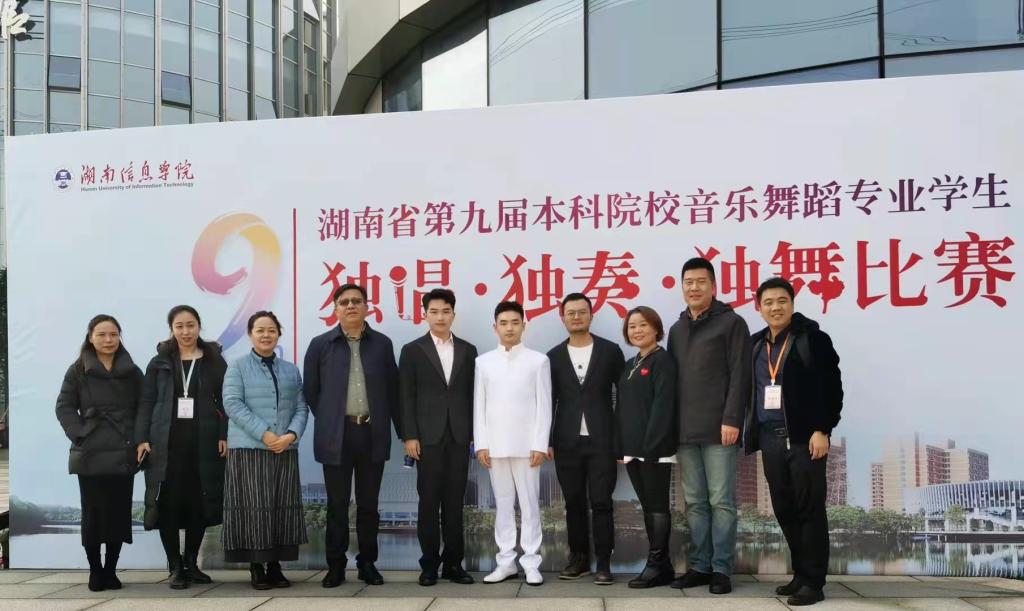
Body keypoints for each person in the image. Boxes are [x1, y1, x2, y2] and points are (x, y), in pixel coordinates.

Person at [743, 278, 843, 606]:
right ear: (759, 307)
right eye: (768, 302)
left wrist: (822, 429)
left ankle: (814, 583)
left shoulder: (812, 339)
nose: (775, 307)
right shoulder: (755, 345)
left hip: (804, 440)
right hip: (769, 439)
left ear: (792, 303)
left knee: (809, 509)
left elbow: (832, 388)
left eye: (782, 301)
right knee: (784, 509)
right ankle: (800, 574)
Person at [304, 283, 399, 587]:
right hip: (337, 436)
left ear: (367, 307)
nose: (350, 306)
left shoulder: (382, 344)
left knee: (369, 505)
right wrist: (331, 420)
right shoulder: (320, 345)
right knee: (337, 505)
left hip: (372, 433)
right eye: (344, 302)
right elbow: (311, 392)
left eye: (357, 301)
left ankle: (367, 563)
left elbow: (393, 389)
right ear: (335, 309)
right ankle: (335, 566)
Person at [668, 257, 751, 595]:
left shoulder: (732, 323)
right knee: (695, 502)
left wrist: (732, 419)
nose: (694, 287)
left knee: (721, 501)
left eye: (701, 281)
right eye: (688, 282)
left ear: (714, 286)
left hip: (720, 429)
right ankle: (700, 566)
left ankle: (721, 569)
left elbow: (741, 375)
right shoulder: (676, 330)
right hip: (685, 431)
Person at [135, 305, 228, 590]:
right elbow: (146, 401)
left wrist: (223, 434)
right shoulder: (159, 362)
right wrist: (142, 437)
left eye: (191, 325)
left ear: (199, 326)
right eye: (179, 326)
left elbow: (226, 400)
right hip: (166, 445)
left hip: (203, 444)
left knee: (199, 504)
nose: (186, 331)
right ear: (172, 329)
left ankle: (191, 564)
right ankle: (175, 566)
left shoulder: (214, 360)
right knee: (168, 506)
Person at [222, 311, 310, 590]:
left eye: (271, 330)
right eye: (260, 330)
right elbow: (233, 404)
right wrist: (265, 433)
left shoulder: (290, 370)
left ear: (278, 334)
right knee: (255, 507)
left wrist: (291, 435)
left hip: (284, 448)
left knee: (282, 507)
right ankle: (257, 566)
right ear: (250, 334)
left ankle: (275, 565)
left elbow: (301, 407)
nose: (266, 335)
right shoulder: (237, 366)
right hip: (250, 449)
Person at [55, 315, 143, 592]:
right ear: (90, 337)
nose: (108, 340)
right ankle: (95, 570)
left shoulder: (132, 370)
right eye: (102, 334)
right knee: (93, 514)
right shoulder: (77, 370)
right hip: (90, 451)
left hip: (123, 449)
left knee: (119, 512)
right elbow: (64, 406)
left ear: (120, 337)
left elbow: (145, 406)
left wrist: (139, 439)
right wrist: (80, 433)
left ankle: (111, 570)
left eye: (113, 334)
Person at [399, 289, 478, 586]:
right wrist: (409, 436)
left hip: (459, 437)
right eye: (434, 312)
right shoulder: (412, 350)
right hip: (426, 438)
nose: (440, 317)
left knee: (455, 503)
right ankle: (429, 565)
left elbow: (474, 395)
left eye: (445, 311)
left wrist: (475, 435)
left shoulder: (468, 350)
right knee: (429, 503)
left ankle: (454, 564)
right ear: (425, 315)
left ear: (453, 314)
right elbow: (405, 396)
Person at [546, 293, 624, 585]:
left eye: (582, 312)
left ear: (591, 315)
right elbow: (548, 401)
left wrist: (621, 439)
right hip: (566, 442)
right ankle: (578, 559)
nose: (576, 317)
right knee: (573, 502)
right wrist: (547, 440)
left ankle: (603, 562)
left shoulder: (610, 351)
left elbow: (624, 397)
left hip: (602, 440)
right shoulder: (553, 356)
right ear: (562, 317)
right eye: (571, 313)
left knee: (602, 502)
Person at [474, 301, 552, 587]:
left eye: (515, 322)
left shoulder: (538, 361)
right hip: (495, 445)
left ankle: (531, 562)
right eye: (503, 323)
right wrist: (481, 444)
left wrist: (540, 444)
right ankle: (505, 562)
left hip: (527, 446)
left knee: (530, 505)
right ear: (495, 327)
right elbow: (479, 406)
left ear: (523, 325)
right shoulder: (483, 362)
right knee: (503, 505)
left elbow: (545, 406)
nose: (509, 328)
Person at [616, 307, 678, 589]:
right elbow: (622, 408)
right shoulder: (631, 363)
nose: (637, 330)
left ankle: (655, 564)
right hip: (632, 449)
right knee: (648, 506)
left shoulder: (663, 361)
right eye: (632, 326)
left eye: (643, 325)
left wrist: (651, 448)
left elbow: (663, 408)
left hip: (654, 449)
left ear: (656, 328)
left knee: (657, 507)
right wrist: (621, 446)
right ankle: (663, 566)